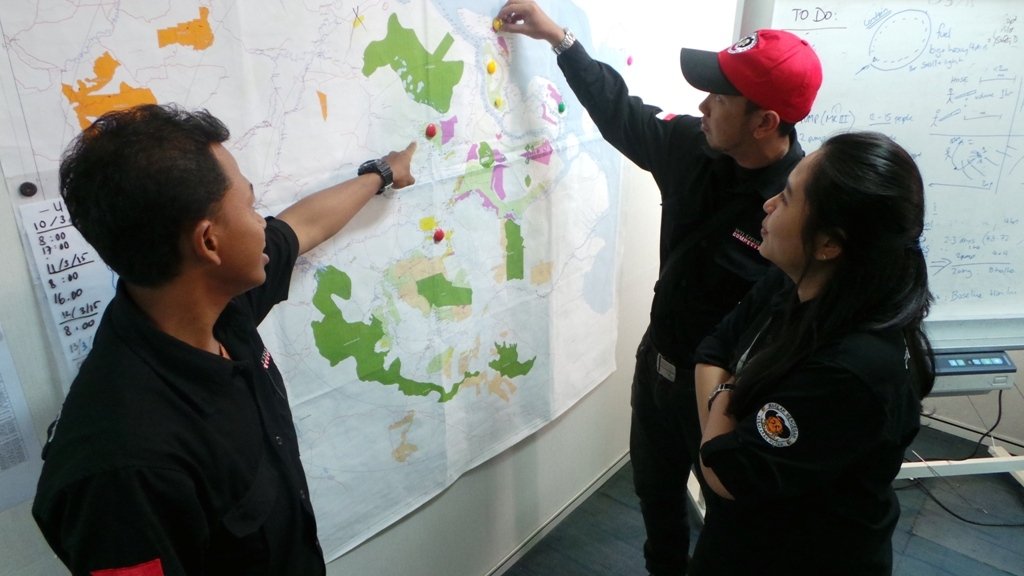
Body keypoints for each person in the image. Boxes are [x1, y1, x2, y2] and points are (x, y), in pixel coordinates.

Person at [494, 2, 822, 573]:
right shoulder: (694, 146)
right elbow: (620, 111)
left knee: (732, 523)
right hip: (660, 368)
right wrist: (560, 40)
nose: (703, 106)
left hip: (729, 393)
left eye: (720, 99)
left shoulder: (798, 212)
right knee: (655, 494)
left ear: (765, 122)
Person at [32, 103, 416, 575]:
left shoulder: (213, 307)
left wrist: (382, 173)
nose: (263, 224)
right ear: (209, 243)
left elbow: (305, 225)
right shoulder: (121, 469)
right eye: (251, 207)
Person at [692, 131, 935, 575]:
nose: (768, 204)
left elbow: (726, 472)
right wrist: (728, 413)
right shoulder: (793, 282)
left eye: (786, 198)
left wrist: (726, 390)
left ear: (829, 244)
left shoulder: (851, 369)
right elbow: (713, 348)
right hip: (742, 537)